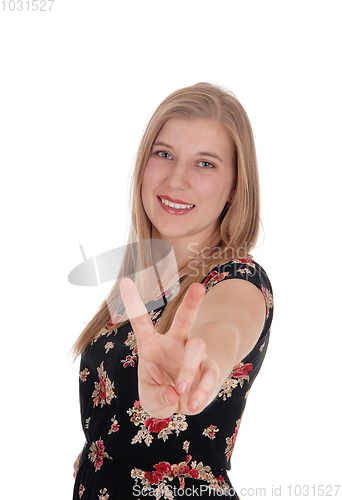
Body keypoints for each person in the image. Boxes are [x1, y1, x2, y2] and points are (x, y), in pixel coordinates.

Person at [72, 82, 274, 499]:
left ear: (236, 186)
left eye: (205, 164)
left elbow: (223, 330)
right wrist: (101, 455)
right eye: (163, 154)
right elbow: (120, 413)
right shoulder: (147, 277)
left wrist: (199, 366)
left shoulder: (239, 280)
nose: (176, 179)